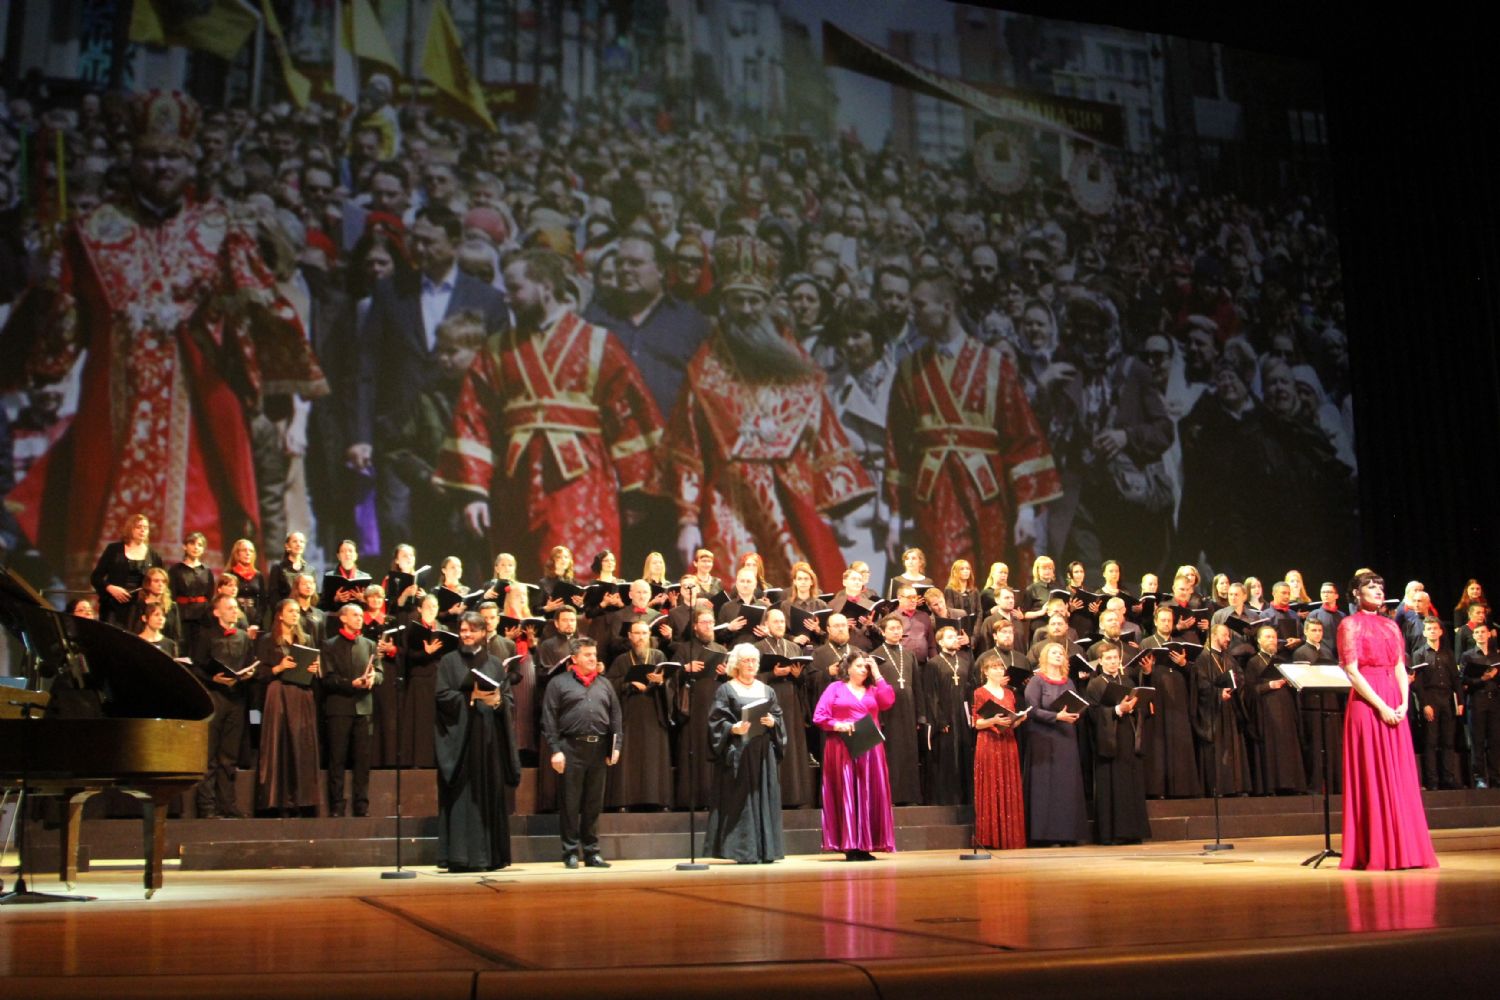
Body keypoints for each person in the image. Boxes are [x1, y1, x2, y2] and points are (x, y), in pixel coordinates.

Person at [6, 91, 327, 585]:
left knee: (198, 545)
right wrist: (50, 291)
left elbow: (260, 312)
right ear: (133, 159)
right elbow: (59, 341)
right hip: (112, 405)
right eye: (151, 156)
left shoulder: (219, 229)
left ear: (190, 160)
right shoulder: (94, 230)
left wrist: (233, 325)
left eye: (172, 156)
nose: (161, 166)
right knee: (102, 556)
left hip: (195, 409)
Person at [434, 248, 663, 575]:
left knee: (582, 575)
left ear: (545, 286)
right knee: (522, 580)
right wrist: (474, 493)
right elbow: (473, 420)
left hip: (583, 484)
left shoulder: (598, 343)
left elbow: (630, 419)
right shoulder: (496, 349)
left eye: (515, 288)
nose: (507, 298)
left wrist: (636, 492)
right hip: (516, 486)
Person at [661, 234, 873, 585]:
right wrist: (687, 520)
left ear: (768, 302)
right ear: (724, 302)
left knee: (800, 591)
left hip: (789, 493)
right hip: (727, 498)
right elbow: (689, 446)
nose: (746, 310)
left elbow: (822, 432)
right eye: (737, 301)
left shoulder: (794, 360)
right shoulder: (705, 365)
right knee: (732, 591)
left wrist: (828, 503)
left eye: (754, 301)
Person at [884, 270, 1061, 574]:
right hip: (933, 499)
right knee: (942, 579)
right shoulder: (909, 370)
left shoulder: (994, 366)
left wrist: (1026, 512)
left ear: (947, 306)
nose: (913, 313)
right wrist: (896, 517)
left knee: (989, 578)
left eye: (921, 305)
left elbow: (1023, 439)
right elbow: (897, 446)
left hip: (987, 498)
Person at [357, 204, 508, 546]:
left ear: (455, 243)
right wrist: (362, 434)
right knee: (397, 525)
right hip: (401, 436)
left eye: (430, 242)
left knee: (457, 533)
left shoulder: (487, 299)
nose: (420, 249)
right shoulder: (391, 291)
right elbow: (368, 366)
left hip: (459, 430)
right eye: (416, 240)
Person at [1337, 571, 1438, 870]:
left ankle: (1405, 849)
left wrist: (1404, 702)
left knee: (1398, 772)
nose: (1378, 591)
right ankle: (1377, 849)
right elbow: (1352, 671)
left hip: (1394, 697)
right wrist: (1381, 706)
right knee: (1371, 772)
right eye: (1370, 587)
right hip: (1367, 701)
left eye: (1380, 586)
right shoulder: (1349, 625)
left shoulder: (1391, 625)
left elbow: (1399, 667)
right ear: (1356, 593)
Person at [434, 611, 521, 872]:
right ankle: (460, 857)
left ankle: (490, 857)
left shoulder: (494, 664)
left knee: (489, 795)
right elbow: (441, 696)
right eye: (463, 630)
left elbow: (508, 700)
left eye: (472, 630)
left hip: (488, 740)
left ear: (483, 633)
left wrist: (498, 702)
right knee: (462, 797)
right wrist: (469, 697)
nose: (467, 635)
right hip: (460, 742)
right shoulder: (448, 661)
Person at [541, 637, 623, 868]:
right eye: (587, 655)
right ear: (574, 658)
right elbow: (549, 718)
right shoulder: (558, 683)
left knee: (593, 804)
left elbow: (616, 717)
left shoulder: (604, 684)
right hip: (570, 748)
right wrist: (555, 750)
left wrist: (616, 746)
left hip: (599, 749)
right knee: (570, 803)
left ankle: (591, 852)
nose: (592, 659)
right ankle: (570, 852)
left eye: (594, 655)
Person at [812, 651, 897, 861]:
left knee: (869, 792)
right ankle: (849, 845)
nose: (863, 670)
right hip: (843, 747)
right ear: (848, 668)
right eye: (859, 666)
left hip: (870, 749)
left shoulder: (873, 690)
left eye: (866, 666)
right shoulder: (835, 688)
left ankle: (866, 844)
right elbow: (819, 716)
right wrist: (837, 725)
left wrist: (877, 673)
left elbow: (888, 701)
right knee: (846, 792)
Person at [705, 644, 786, 864]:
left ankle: (765, 850)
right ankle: (742, 851)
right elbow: (716, 721)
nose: (751, 664)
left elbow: (778, 717)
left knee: (763, 797)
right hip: (739, 752)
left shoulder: (767, 690)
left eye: (754, 660)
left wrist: (773, 722)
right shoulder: (726, 690)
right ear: (737, 664)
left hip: (762, 753)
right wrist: (733, 728)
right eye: (746, 660)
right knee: (741, 801)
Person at [255, 599, 322, 817]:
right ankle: (279, 801)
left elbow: (315, 672)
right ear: (280, 615)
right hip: (278, 694)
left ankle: (302, 801)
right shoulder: (268, 640)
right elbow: (259, 672)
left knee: (301, 745)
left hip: (301, 694)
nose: (295, 615)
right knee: (280, 745)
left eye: (297, 612)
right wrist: (279, 667)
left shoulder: (306, 639)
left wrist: (314, 669)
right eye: (290, 611)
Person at [189, 594, 253, 819]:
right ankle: (206, 806)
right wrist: (213, 679)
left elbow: (249, 663)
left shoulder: (243, 637)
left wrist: (249, 674)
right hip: (214, 697)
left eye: (236, 607)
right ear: (217, 612)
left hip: (236, 698)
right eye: (230, 608)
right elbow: (196, 667)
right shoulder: (206, 635)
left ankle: (227, 804)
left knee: (229, 755)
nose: (235, 611)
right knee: (210, 754)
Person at [1022, 641, 1088, 845]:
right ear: (1044, 657)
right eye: (1054, 652)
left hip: (1066, 736)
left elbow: (1075, 704)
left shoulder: (1069, 682)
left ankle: (1067, 833)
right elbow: (1032, 710)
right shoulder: (1037, 681)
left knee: (1066, 785)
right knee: (1046, 785)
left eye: (1061, 653)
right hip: (1044, 737)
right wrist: (1056, 716)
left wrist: (1076, 713)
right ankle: (1045, 834)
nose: (1058, 655)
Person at [320, 603, 382, 817]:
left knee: (362, 760)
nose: (359, 619)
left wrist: (374, 678)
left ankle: (361, 805)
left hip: (364, 708)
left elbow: (380, 672)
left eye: (361, 616)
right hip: (339, 708)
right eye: (355, 615)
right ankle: (337, 805)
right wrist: (350, 684)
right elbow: (327, 679)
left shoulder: (369, 644)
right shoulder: (329, 645)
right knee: (337, 758)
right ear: (343, 618)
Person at [1085, 642, 1150, 844]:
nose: (1113, 662)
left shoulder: (1128, 680)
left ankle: (1132, 832)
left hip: (1128, 736)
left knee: (1130, 784)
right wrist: (1117, 710)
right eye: (1108, 659)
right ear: (1100, 661)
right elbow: (1092, 714)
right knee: (1111, 786)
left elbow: (1139, 707)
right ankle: (1112, 834)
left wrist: (1135, 707)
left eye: (1115, 658)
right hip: (1108, 741)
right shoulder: (1095, 684)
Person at [606, 619, 674, 810]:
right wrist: (628, 684)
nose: (641, 637)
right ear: (629, 636)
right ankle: (624, 801)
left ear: (649, 635)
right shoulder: (621, 660)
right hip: (629, 714)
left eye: (644, 633)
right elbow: (610, 684)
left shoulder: (659, 656)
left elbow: (671, 684)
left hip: (654, 712)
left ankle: (658, 800)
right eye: (637, 633)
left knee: (655, 758)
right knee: (628, 759)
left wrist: (661, 682)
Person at [672, 604, 729, 812]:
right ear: (695, 626)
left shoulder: (721, 650)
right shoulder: (684, 649)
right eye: (704, 622)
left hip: (716, 706)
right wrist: (685, 669)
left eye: (711, 622)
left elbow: (730, 681)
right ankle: (693, 799)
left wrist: (725, 673)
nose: (708, 626)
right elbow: (670, 677)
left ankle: (716, 797)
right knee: (695, 750)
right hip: (694, 708)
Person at [971, 653, 1027, 850]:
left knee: (1009, 785)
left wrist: (1019, 719)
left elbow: (1011, 722)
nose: (998, 670)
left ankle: (1010, 837)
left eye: (1000, 667)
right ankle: (990, 837)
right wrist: (993, 720)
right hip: (988, 743)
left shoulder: (1009, 693)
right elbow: (977, 723)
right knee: (991, 786)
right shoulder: (980, 692)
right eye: (994, 667)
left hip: (1008, 742)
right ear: (985, 672)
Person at [1193, 624, 1252, 797]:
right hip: (1213, 712)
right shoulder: (1202, 658)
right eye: (1225, 635)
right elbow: (1201, 685)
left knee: (1234, 748)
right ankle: (1218, 788)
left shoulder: (1229, 658)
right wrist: (1218, 693)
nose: (1228, 639)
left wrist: (1234, 687)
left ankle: (1236, 787)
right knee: (1218, 750)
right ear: (1213, 636)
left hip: (1230, 710)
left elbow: (1240, 677)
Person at [872, 614, 923, 805]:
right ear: (883, 632)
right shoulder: (875, 655)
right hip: (887, 711)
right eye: (891, 628)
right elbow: (873, 688)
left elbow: (917, 686)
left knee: (909, 751)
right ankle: (890, 796)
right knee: (891, 753)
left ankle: (910, 796)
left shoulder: (909, 654)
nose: (896, 631)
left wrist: (920, 714)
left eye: (898, 628)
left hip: (908, 709)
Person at [923, 624, 975, 805]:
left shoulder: (965, 661)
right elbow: (930, 694)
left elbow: (970, 689)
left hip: (962, 716)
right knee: (946, 756)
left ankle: (964, 798)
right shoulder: (933, 664)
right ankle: (946, 799)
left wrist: (971, 715)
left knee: (963, 754)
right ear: (940, 642)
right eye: (950, 637)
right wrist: (939, 720)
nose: (954, 639)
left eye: (955, 636)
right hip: (944, 718)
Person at [1410, 617, 1462, 791]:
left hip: (1447, 699)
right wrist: (1425, 704)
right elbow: (1418, 683)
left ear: (1440, 631)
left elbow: (1456, 679)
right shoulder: (1419, 654)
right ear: (1424, 633)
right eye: (1429, 629)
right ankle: (1432, 780)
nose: (1432, 631)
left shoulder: (1448, 654)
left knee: (1448, 740)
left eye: (1435, 628)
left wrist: (1460, 701)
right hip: (1430, 698)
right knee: (1431, 741)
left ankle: (1448, 778)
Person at [89, 512, 164, 628]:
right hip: (113, 606)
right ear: (130, 529)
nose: (142, 530)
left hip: (140, 609)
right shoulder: (114, 550)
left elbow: (161, 580)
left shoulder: (154, 555)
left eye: (145, 528)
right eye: (139, 527)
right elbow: (95, 577)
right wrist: (110, 588)